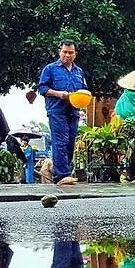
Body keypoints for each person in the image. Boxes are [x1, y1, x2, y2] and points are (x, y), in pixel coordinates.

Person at [36, 40, 86, 185]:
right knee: (60, 142)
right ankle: (61, 176)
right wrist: (59, 94)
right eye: (65, 52)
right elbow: (43, 89)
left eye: (71, 52)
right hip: (57, 110)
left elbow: (83, 89)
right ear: (59, 52)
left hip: (74, 110)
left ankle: (63, 172)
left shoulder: (79, 72)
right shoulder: (50, 69)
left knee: (71, 142)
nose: (67, 55)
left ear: (75, 54)